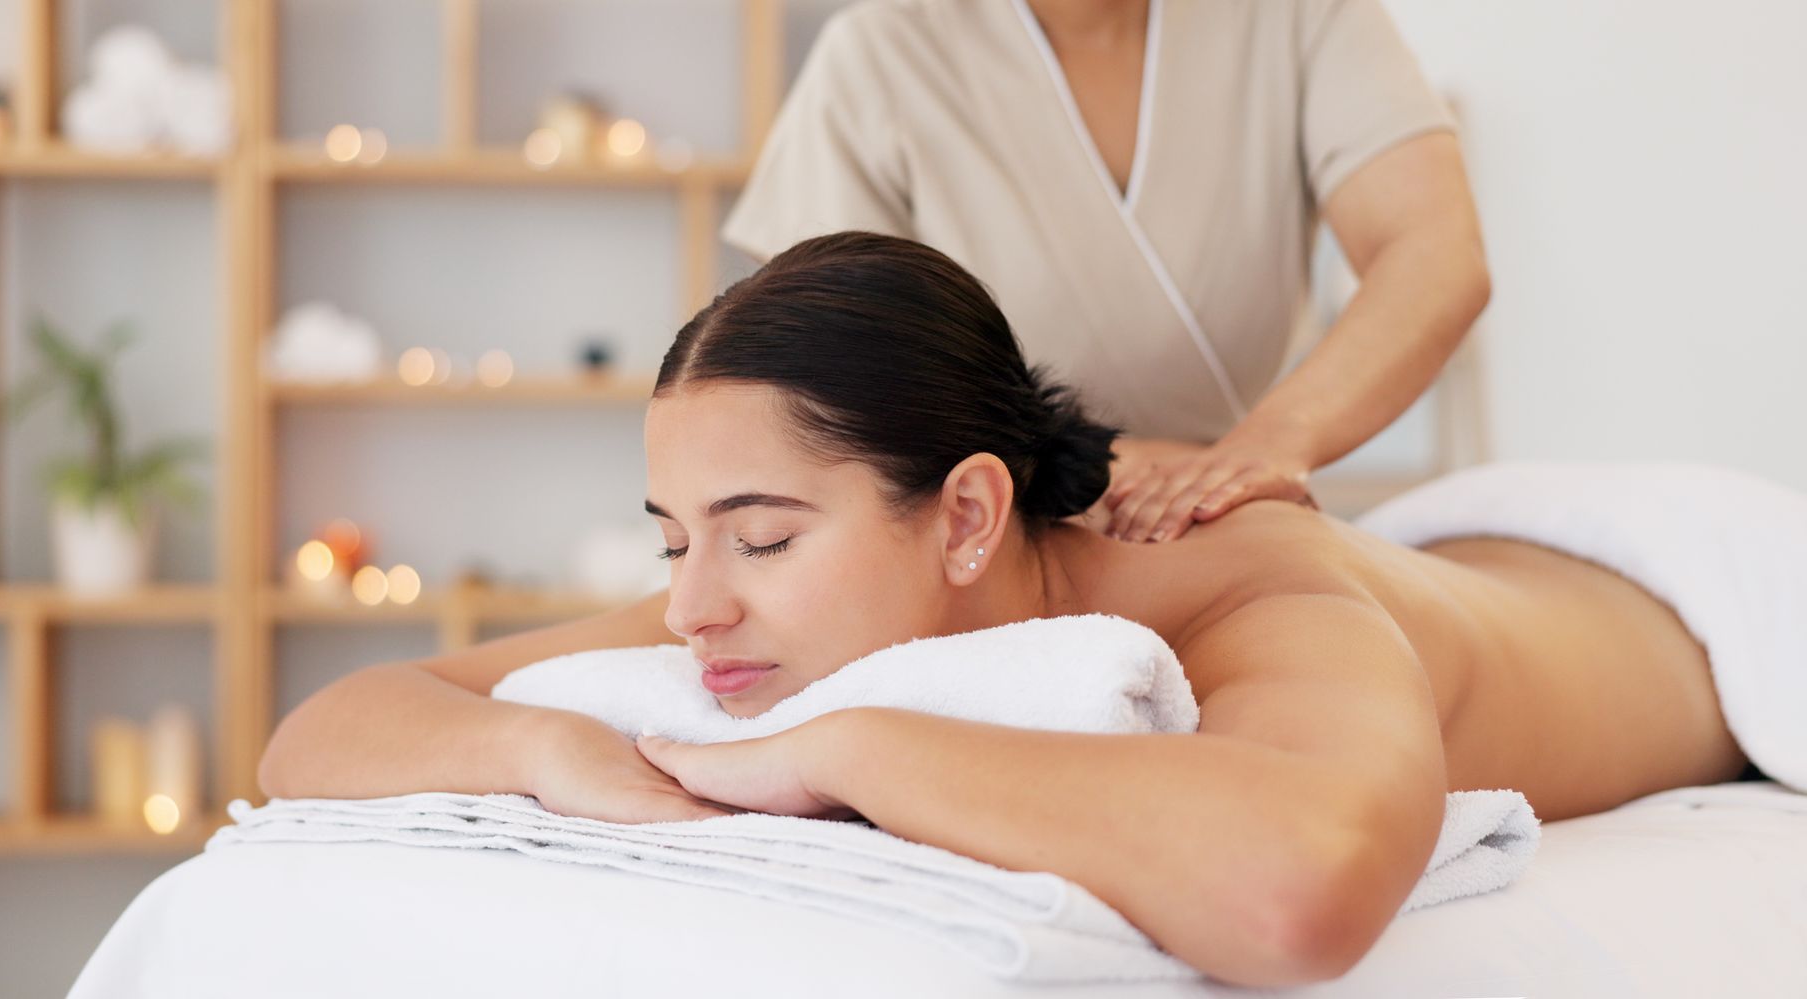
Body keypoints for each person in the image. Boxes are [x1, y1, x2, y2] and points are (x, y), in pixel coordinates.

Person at [259, 233, 1753, 987]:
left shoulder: (1250, 588)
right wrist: (544, 751)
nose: (694, 607)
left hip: (1672, 582)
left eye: (761, 534)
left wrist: (843, 747)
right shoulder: (761, 597)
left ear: (969, 513)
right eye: (672, 539)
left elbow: (1299, 888)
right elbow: (321, 731)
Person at [723, 0, 1494, 543]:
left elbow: (1432, 255)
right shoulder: (880, 53)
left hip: (1223, 509)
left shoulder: (1303, 16)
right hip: (985, 521)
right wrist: (1100, 465)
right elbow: (831, 363)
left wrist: (1262, 451)